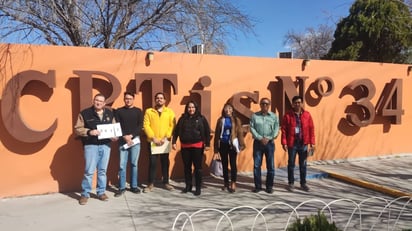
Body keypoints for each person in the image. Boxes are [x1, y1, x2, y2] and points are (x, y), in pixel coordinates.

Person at [74, 93, 117, 205]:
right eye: (96, 100)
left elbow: (114, 127)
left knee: (102, 171)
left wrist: (114, 136)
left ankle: (101, 192)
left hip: (106, 145)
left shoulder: (109, 113)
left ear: (104, 103)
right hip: (91, 145)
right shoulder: (85, 113)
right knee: (89, 171)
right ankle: (85, 194)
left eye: (101, 101)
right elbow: (78, 129)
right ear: (93, 101)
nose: (98, 102)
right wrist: (89, 132)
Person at [172, 101, 210, 196]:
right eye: (189, 107)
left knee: (198, 168)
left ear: (196, 108)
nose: (191, 109)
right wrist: (174, 142)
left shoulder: (201, 118)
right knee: (187, 167)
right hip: (185, 146)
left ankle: (198, 187)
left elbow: (207, 131)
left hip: (197, 146)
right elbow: (176, 131)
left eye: (193, 107)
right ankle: (188, 186)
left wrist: (207, 144)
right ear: (186, 108)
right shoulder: (182, 119)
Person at [143, 92, 176, 192]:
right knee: (152, 163)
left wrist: (166, 137)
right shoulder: (149, 111)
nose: (159, 100)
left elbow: (172, 125)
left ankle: (166, 182)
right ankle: (150, 184)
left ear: (165, 100)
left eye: (161, 98)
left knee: (165, 162)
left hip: (165, 141)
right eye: (157, 98)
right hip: (153, 142)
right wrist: (153, 138)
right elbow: (146, 125)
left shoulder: (170, 112)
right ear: (155, 100)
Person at [281, 95, 315, 192]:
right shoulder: (288, 116)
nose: (297, 104)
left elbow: (311, 129)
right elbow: (284, 130)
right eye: (295, 102)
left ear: (302, 103)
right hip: (292, 144)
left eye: (299, 102)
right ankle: (291, 183)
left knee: (303, 164)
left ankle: (303, 183)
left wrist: (312, 142)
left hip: (303, 144)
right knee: (291, 164)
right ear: (292, 104)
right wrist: (284, 143)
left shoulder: (307, 115)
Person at [114, 92, 143, 197]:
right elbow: (117, 125)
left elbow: (140, 126)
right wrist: (125, 136)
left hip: (135, 141)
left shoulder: (138, 111)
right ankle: (121, 187)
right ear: (124, 99)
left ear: (133, 99)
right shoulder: (119, 111)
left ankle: (133, 186)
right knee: (122, 165)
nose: (128, 100)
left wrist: (131, 135)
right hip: (123, 141)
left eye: (130, 98)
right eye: (126, 98)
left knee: (134, 164)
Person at [249, 97, 279, 194]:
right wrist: (260, 138)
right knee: (257, 165)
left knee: (270, 166)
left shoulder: (274, 116)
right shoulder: (255, 116)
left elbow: (276, 129)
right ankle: (258, 186)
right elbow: (252, 128)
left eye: (266, 104)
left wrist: (269, 138)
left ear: (269, 105)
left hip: (269, 143)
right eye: (263, 104)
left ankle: (269, 186)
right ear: (260, 105)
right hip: (258, 143)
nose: (264, 105)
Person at [213, 103, 245, 193]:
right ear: (223, 110)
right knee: (224, 164)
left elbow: (239, 132)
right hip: (223, 144)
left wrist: (241, 144)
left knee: (233, 164)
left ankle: (233, 182)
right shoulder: (220, 120)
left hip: (232, 144)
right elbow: (217, 134)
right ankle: (226, 182)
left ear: (232, 110)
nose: (228, 110)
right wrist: (215, 149)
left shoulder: (236, 120)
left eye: (230, 108)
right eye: (226, 108)